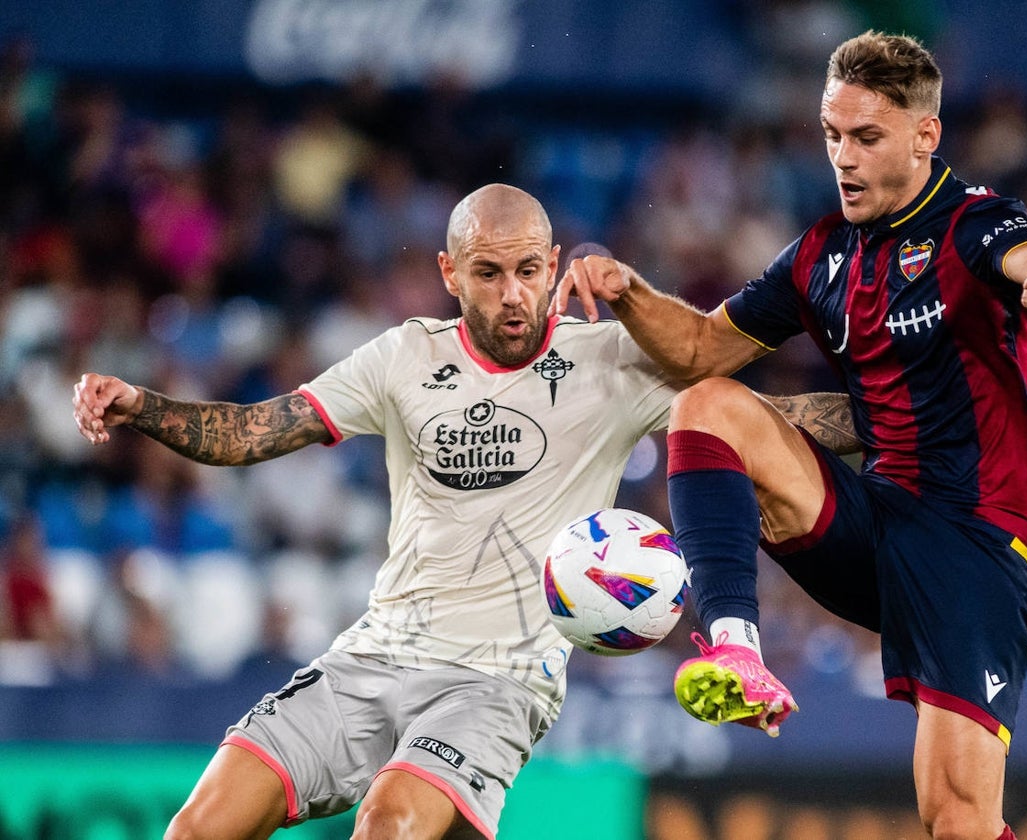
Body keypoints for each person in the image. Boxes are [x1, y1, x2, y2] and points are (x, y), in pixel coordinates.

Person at [72, 183, 861, 840]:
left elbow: (774, 422)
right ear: (451, 271)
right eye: (488, 273)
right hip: (372, 656)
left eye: (527, 270)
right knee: (195, 828)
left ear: (554, 265)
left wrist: (913, 413)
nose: (513, 293)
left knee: (387, 824)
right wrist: (140, 405)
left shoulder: (614, 363)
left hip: (499, 681)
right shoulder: (403, 357)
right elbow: (253, 432)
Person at [554, 31, 1027, 840]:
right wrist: (627, 292)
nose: (844, 156)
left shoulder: (975, 224)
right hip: (873, 525)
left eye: (867, 137)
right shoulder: (819, 257)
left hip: (977, 549)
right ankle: (734, 643)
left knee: (957, 819)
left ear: (924, 135)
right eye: (833, 134)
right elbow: (701, 347)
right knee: (706, 403)